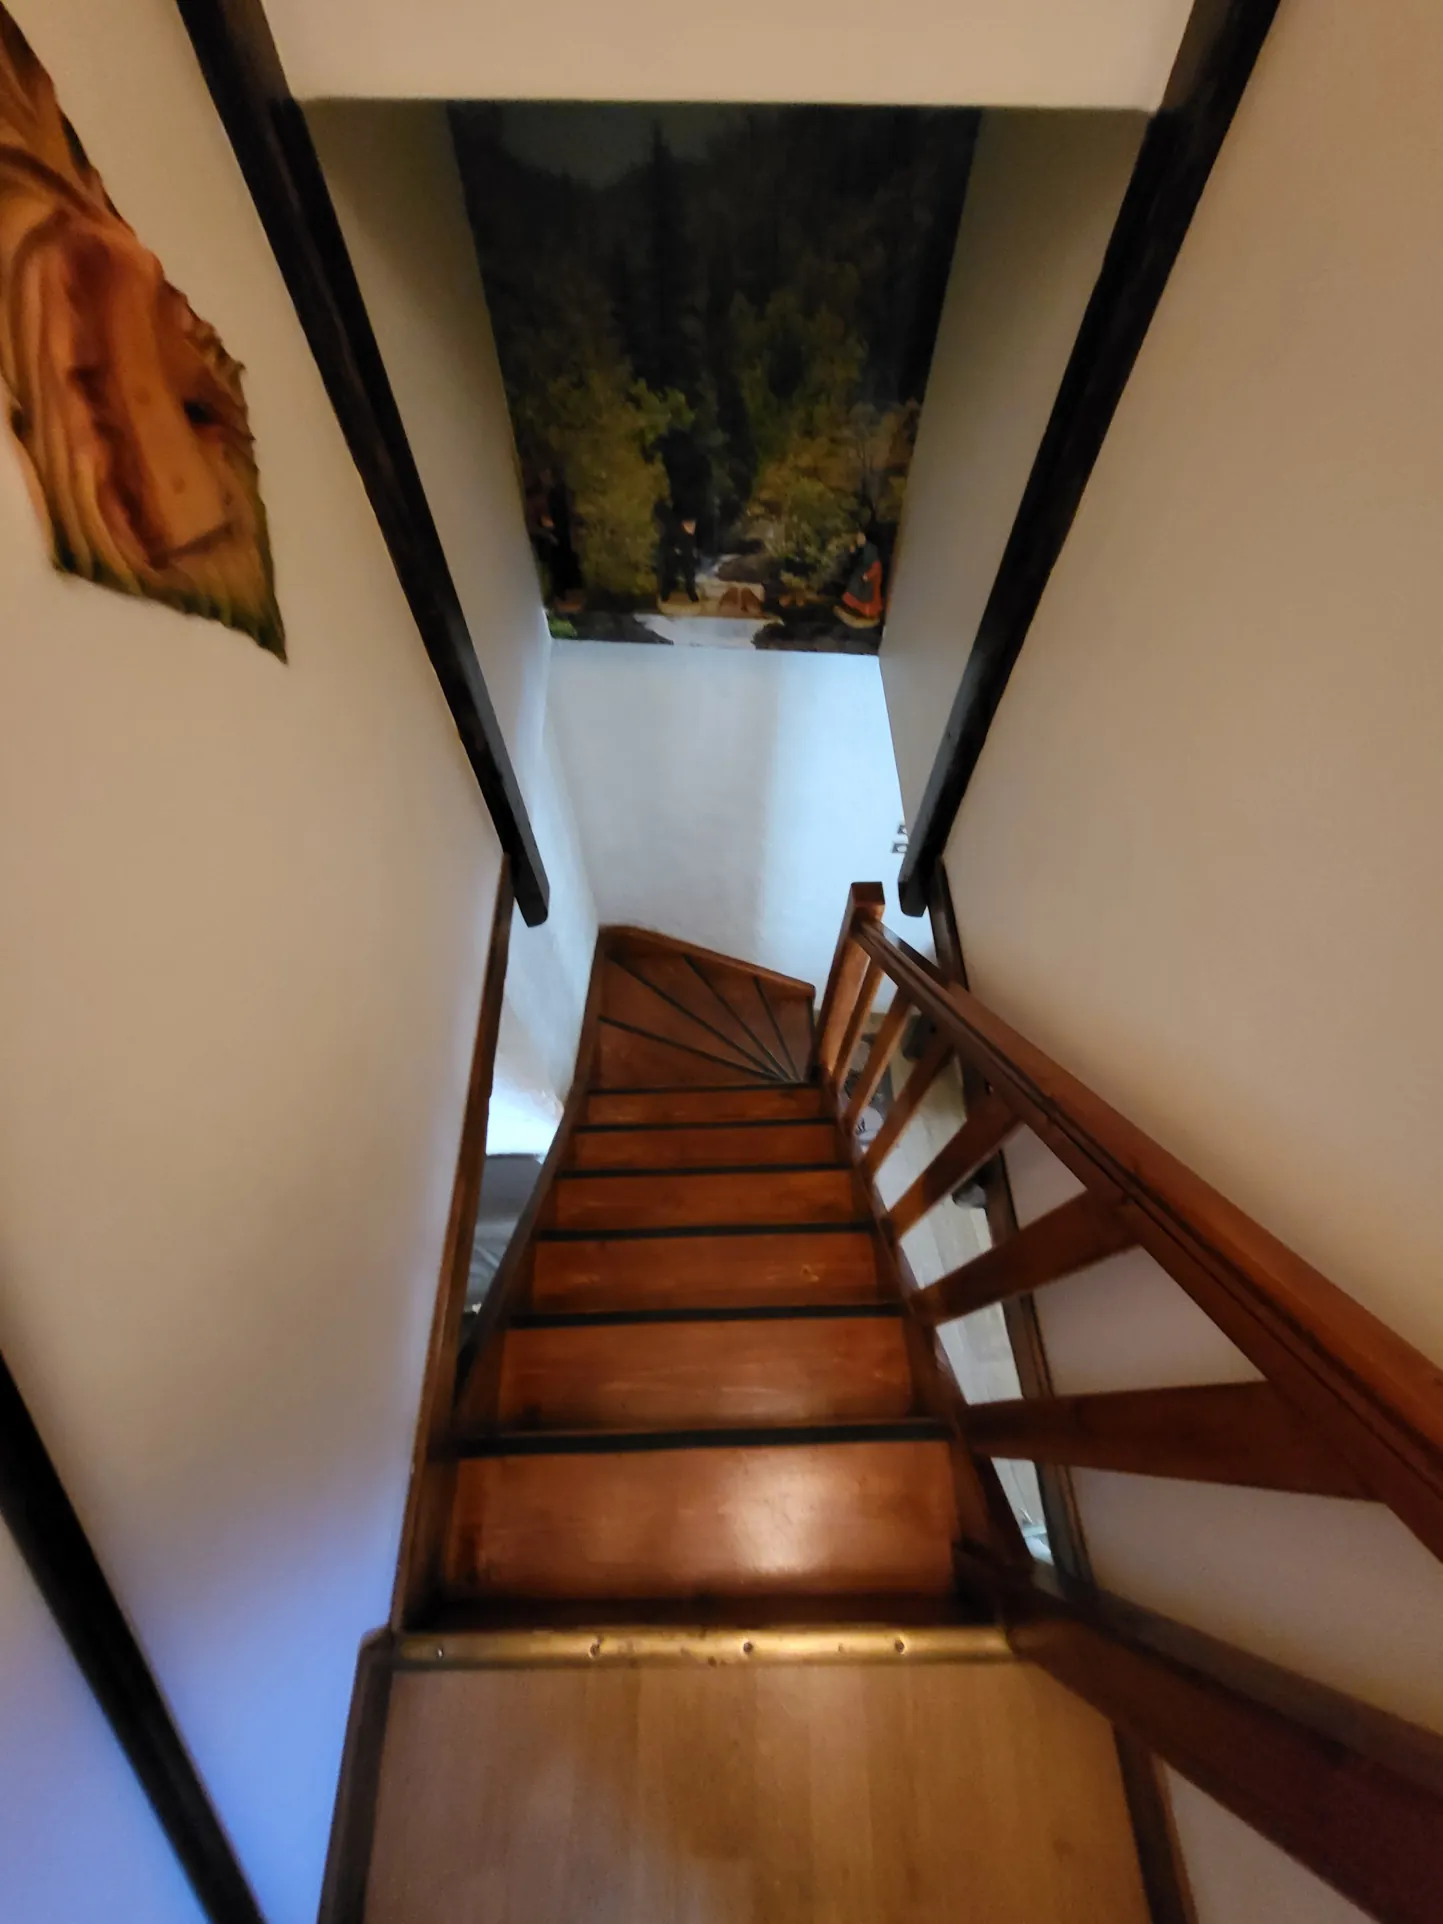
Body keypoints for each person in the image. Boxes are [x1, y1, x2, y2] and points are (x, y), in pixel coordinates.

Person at [836, 526, 884, 629]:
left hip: (867, 575)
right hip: (866, 572)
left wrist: (867, 576)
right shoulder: (865, 604)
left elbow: (874, 567)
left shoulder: (871, 551)